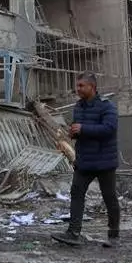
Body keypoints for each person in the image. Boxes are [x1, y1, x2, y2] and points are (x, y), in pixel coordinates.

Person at [53, 72, 120, 248]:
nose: (78, 89)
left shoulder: (107, 107)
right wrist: (73, 133)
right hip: (84, 161)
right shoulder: (78, 107)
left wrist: (83, 129)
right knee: (76, 193)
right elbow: (80, 131)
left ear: (92, 87)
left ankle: (114, 235)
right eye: (77, 85)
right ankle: (73, 233)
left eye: (82, 86)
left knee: (109, 197)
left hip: (104, 161)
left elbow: (109, 129)